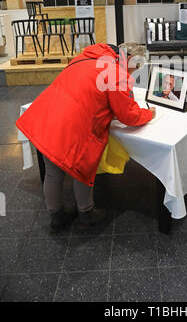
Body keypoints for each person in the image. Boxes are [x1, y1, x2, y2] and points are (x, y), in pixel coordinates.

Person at [16, 42, 156, 234]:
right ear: (130, 59)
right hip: (73, 127)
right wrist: (150, 114)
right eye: (137, 66)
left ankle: (56, 216)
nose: (135, 72)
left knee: (52, 173)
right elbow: (129, 116)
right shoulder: (116, 72)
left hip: (46, 117)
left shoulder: (84, 58)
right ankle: (86, 213)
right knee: (81, 170)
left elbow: (85, 90)